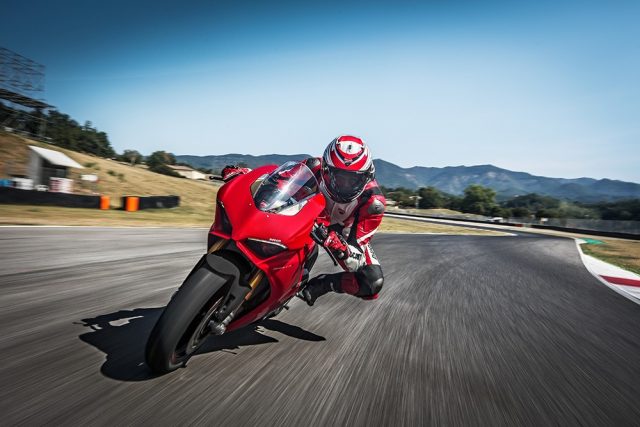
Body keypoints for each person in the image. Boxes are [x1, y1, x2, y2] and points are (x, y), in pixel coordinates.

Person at [221, 135, 386, 307]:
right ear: (325, 169)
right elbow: (278, 179)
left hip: (343, 232)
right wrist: (247, 175)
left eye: (352, 180)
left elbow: (356, 256)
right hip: (308, 215)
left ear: (367, 176)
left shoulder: (374, 203)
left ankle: (321, 284)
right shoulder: (313, 166)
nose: (343, 185)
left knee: (372, 281)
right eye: (337, 176)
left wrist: (340, 247)